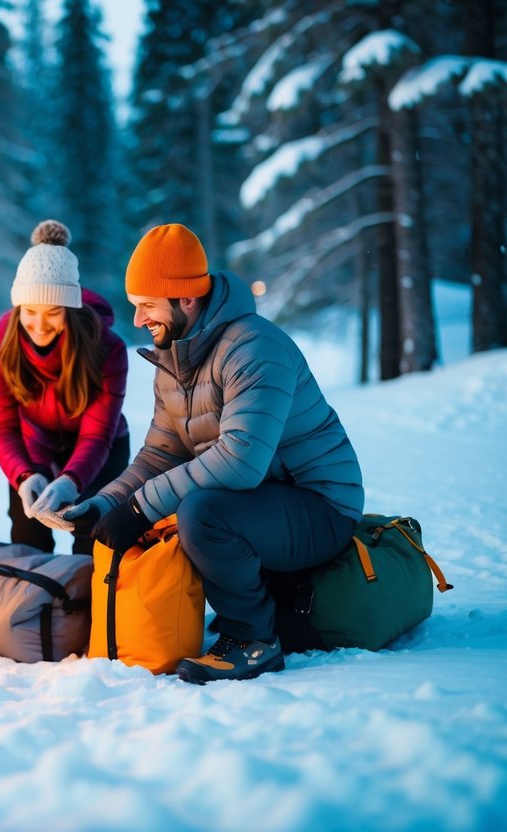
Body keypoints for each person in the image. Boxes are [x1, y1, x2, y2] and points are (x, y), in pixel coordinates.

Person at [46, 224, 364, 684]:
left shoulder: (256, 347)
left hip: (319, 506)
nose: (138, 320)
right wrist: (105, 504)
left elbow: (240, 460)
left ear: (186, 300)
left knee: (200, 512)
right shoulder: (175, 357)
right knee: (188, 506)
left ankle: (253, 640)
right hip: (263, 502)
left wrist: (140, 508)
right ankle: (254, 614)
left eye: (147, 306)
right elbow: (159, 455)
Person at [0, 220, 130, 555]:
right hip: (33, 451)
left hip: (100, 452)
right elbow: (1, 426)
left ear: (71, 309)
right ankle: (41, 607)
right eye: (29, 312)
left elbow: (97, 434)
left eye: (52, 312)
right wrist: (22, 476)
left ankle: (90, 607)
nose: (39, 324)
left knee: (93, 542)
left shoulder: (107, 349)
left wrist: (72, 481)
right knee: (28, 540)